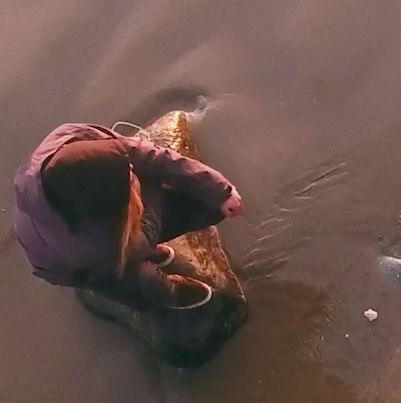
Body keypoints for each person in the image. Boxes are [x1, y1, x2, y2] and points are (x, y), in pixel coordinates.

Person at [13, 122, 243, 309]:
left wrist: (218, 189)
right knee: (141, 280)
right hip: (79, 267)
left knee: (164, 186)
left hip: (77, 238)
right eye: (127, 178)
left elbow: (141, 155)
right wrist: (140, 246)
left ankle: (147, 254)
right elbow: (128, 246)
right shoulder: (95, 246)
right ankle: (168, 293)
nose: (132, 171)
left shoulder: (70, 139)